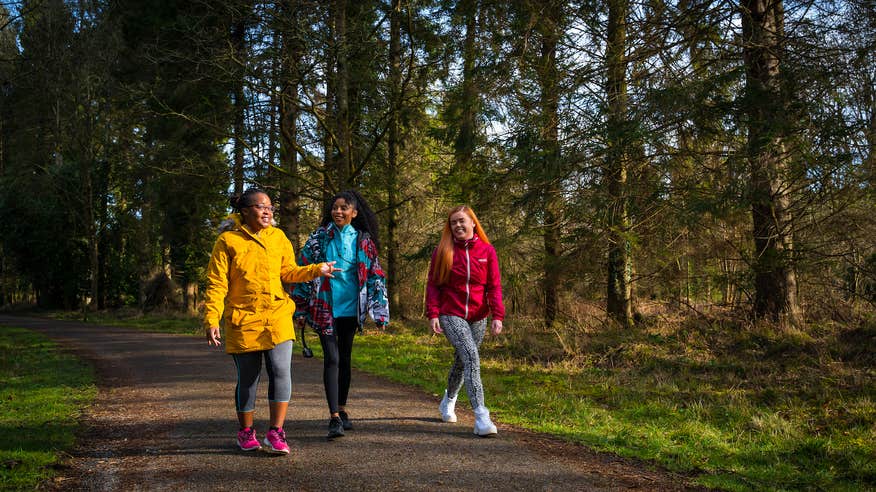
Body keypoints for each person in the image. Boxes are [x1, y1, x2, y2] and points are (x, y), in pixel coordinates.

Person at [204, 187, 340, 455]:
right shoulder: (228, 242)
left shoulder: (278, 237)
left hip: (277, 315)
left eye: (269, 207)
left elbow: (288, 272)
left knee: (281, 371)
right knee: (249, 378)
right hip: (244, 320)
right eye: (260, 206)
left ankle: (276, 433)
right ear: (245, 211)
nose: (267, 210)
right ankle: (246, 432)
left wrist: (317, 269)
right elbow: (217, 283)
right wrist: (212, 318)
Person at [292, 190, 389, 440]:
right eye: (335, 207)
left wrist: (380, 312)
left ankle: (343, 410)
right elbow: (303, 270)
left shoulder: (364, 240)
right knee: (332, 358)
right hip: (324, 307)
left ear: (354, 213)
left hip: (351, 309)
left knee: (345, 358)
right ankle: (334, 416)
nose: (338, 211)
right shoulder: (319, 238)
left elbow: (375, 275)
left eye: (344, 208)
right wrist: (300, 307)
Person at [425, 205, 505, 437]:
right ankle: (481, 416)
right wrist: (433, 313)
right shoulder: (443, 251)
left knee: (463, 361)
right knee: (471, 357)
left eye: (462, 221)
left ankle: (448, 400)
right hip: (451, 313)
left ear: (473, 223)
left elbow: (494, 286)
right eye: (453, 223)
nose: (458, 226)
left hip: (479, 316)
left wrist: (497, 315)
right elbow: (433, 285)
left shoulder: (487, 251)